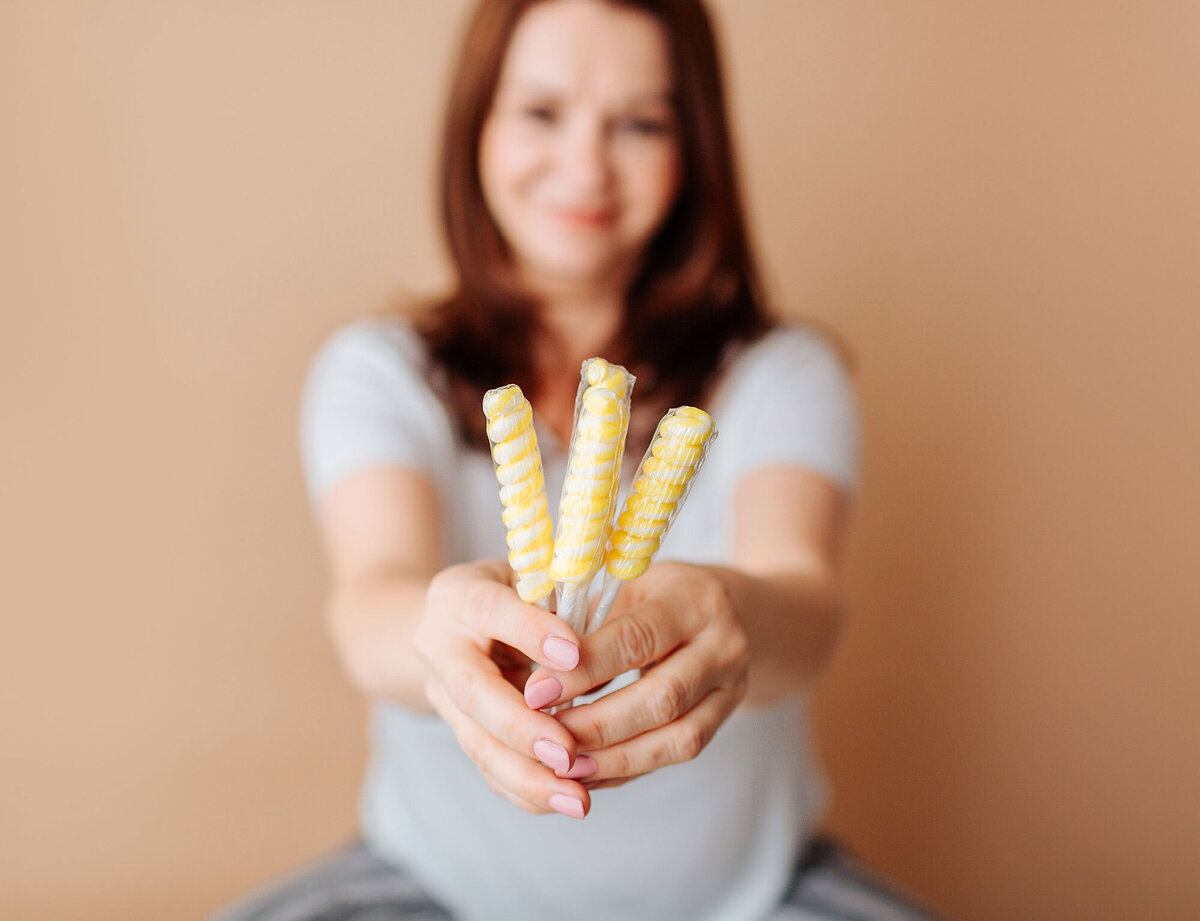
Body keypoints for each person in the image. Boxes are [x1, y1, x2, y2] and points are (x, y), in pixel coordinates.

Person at [214, 1, 941, 919]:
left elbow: (805, 603)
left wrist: (733, 613)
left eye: (639, 122)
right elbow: (370, 599)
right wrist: (442, 633)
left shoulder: (778, 374)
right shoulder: (379, 370)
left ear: (696, 146)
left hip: (752, 894)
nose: (586, 165)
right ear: (476, 124)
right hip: (433, 883)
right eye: (541, 113)